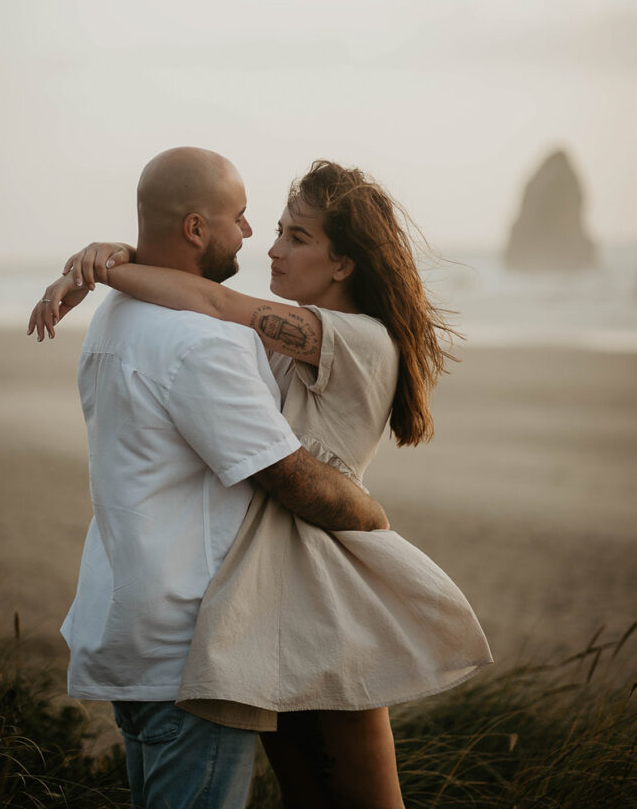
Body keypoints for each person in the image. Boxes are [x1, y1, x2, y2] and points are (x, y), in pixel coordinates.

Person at [32, 158, 492, 809]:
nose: (269, 246)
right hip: (271, 599)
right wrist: (117, 253)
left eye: (296, 237)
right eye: (273, 228)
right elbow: (199, 296)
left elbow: (212, 299)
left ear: (343, 264)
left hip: (322, 581)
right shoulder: (277, 334)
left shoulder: (358, 339)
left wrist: (104, 268)